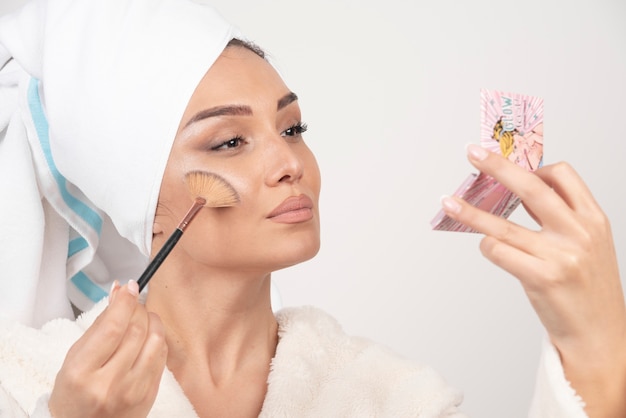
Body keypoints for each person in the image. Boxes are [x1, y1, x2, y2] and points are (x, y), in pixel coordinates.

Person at [0, 0, 624, 417]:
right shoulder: (27, 383)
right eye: (230, 142)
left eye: (294, 129)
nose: (290, 163)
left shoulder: (394, 397)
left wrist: (597, 349)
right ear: (139, 199)